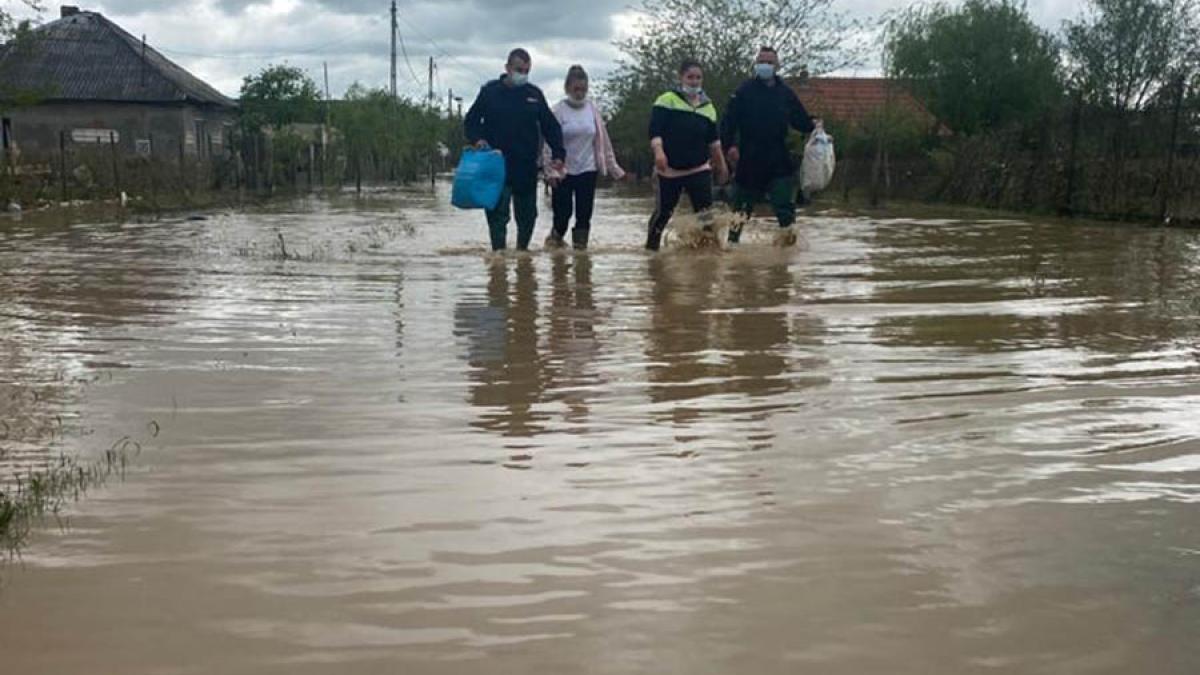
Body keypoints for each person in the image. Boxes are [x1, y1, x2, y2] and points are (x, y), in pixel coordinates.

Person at [464, 48, 566, 251]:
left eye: (527, 71)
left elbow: (551, 127)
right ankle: (498, 257)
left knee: (528, 216)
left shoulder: (534, 95)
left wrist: (558, 154)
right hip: (495, 165)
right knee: (497, 216)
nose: (523, 74)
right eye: (519, 70)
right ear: (507, 68)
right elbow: (471, 122)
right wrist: (478, 140)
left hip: (526, 166)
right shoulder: (490, 92)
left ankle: (522, 256)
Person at [720, 46, 818, 244]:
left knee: (785, 208)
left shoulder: (786, 93)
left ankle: (787, 251)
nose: (765, 65)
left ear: (777, 65)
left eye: (769, 62)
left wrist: (815, 125)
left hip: (778, 158)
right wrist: (730, 146)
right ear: (755, 64)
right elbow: (728, 122)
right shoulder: (743, 91)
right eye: (761, 62)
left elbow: (800, 120)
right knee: (740, 210)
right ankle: (731, 247)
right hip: (749, 157)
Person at [644, 59, 730, 251]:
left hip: (699, 168)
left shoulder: (708, 107)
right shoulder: (667, 100)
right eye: (690, 77)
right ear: (681, 77)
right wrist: (659, 152)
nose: (694, 81)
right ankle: (651, 253)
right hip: (669, 169)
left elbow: (714, 142)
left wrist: (722, 166)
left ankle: (708, 256)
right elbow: (655, 130)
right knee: (663, 213)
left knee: (706, 217)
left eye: (698, 77)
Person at [542, 65, 626, 250]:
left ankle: (581, 256)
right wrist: (549, 171)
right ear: (567, 88)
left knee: (584, 215)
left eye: (583, 89)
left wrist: (615, 169)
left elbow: (603, 141)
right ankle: (555, 241)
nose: (579, 93)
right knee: (563, 215)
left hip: (588, 169)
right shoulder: (557, 111)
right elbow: (549, 144)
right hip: (563, 171)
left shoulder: (592, 110)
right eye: (576, 89)